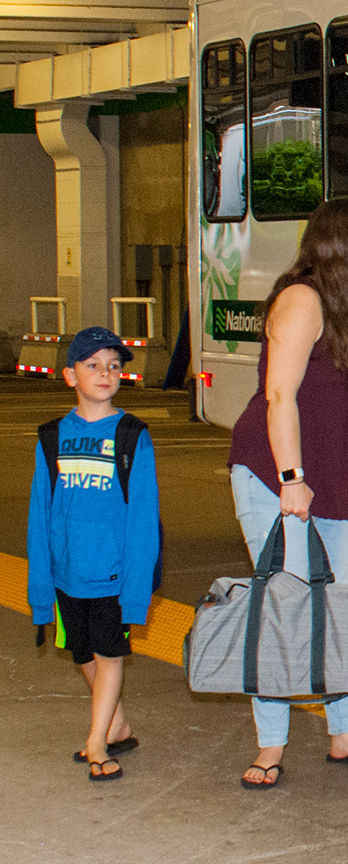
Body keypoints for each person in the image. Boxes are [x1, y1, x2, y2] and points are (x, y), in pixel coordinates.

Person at [227, 196, 348, 789]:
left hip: (334, 478)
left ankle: (343, 732)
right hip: (275, 475)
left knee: (334, 611)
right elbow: (279, 396)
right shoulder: (301, 299)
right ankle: (270, 746)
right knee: (284, 609)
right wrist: (290, 480)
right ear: (346, 242)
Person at [27, 327, 161, 783]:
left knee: (108, 654)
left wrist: (136, 592)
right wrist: (40, 589)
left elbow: (143, 520)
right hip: (67, 574)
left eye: (114, 365)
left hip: (111, 575)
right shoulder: (51, 438)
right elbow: (38, 517)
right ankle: (117, 723)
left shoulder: (131, 436)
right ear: (69, 376)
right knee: (81, 650)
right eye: (92, 365)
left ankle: (98, 740)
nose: (105, 373)